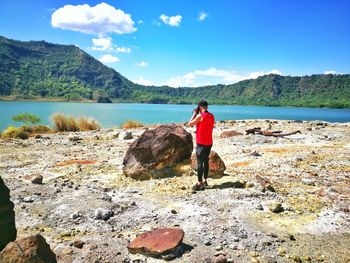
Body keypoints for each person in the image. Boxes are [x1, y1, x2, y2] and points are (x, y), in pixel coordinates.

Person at [187, 100, 215, 191]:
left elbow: (190, 124)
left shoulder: (200, 116)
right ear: (207, 106)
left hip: (201, 142)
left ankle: (199, 182)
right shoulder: (211, 116)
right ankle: (205, 180)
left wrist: (194, 114)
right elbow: (206, 126)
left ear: (200, 107)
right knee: (206, 161)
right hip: (209, 142)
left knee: (200, 162)